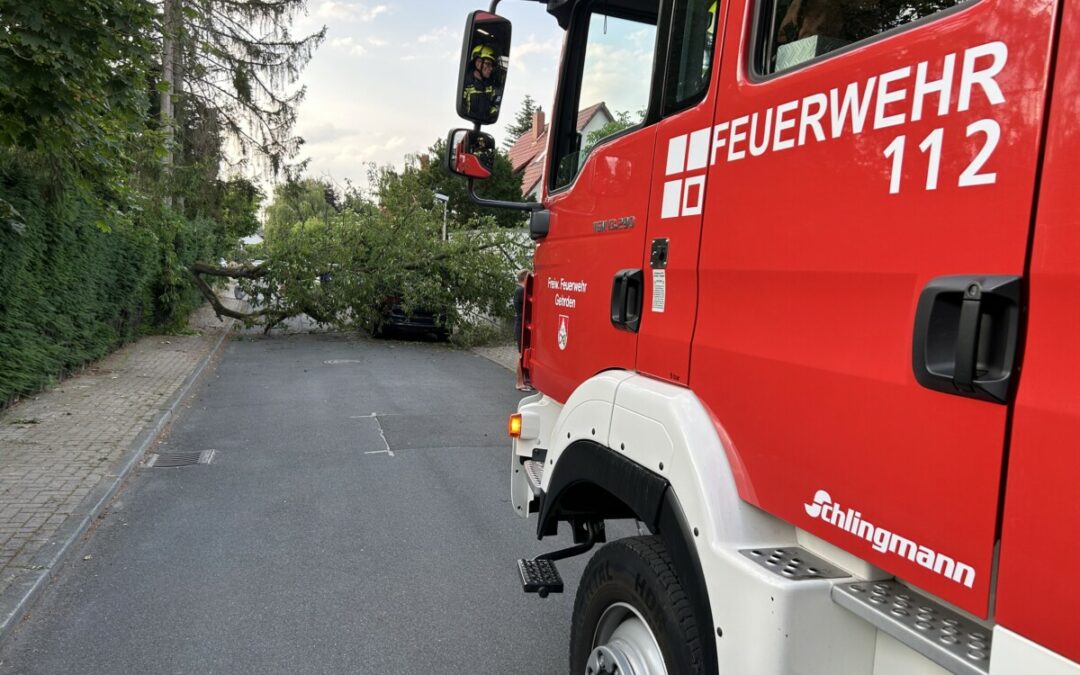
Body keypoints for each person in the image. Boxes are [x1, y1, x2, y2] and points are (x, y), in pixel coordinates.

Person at [463, 44, 502, 123]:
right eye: (488, 64)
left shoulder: (492, 86)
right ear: (478, 62)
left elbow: (494, 107)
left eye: (492, 65)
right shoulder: (465, 84)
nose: (490, 68)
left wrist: (494, 113)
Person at [513, 269, 532, 392]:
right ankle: (519, 383)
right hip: (521, 326)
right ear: (525, 278)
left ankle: (523, 381)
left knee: (522, 353)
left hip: (519, 325)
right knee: (521, 354)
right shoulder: (521, 291)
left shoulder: (518, 290)